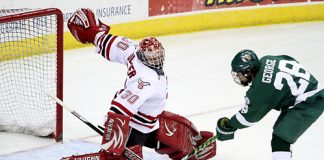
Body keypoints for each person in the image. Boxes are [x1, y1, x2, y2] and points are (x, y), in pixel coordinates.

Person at [64, 8, 216, 160]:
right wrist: (114, 140)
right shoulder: (146, 79)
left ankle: (184, 146)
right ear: (142, 56)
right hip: (135, 127)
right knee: (115, 156)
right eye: (151, 57)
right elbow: (120, 108)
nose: (155, 60)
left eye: (157, 56)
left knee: (167, 130)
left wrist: (94, 34)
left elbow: (108, 41)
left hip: (148, 119)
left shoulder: (133, 50)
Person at [216, 49, 324, 160]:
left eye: (239, 73)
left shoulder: (261, 87)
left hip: (311, 101)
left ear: (248, 71)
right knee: (279, 135)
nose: (238, 77)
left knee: (280, 140)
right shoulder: (267, 59)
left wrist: (229, 126)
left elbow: (248, 117)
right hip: (307, 94)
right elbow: (290, 60)